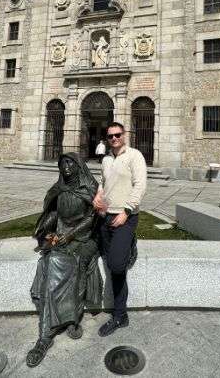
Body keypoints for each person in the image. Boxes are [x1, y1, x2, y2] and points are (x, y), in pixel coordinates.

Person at [27, 153, 103, 367]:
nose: (66, 166)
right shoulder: (58, 188)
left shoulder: (89, 187)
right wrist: (44, 229)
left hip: (84, 238)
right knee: (47, 263)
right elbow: (53, 213)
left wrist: (69, 236)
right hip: (60, 236)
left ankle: (67, 320)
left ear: (79, 166)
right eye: (63, 163)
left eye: (70, 162)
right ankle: (47, 334)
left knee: (69, 263)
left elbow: (92, 218)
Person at [93, 121, 147, 337]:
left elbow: (140, 185)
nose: (114, 138)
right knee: (109, 261)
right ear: (107, 139)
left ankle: (119, 315)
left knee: (116, 266)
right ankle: (120, 313)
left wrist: (126, 211)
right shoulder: (106, 159)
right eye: (110, 136)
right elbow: (103, 182)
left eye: (117, 135)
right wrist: (98, 196)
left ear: (124, 135)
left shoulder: (134, 156)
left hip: (126, 217)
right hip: (106, 217)